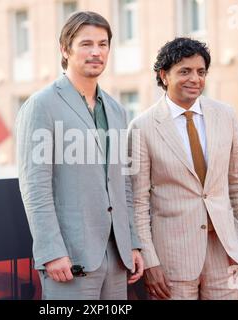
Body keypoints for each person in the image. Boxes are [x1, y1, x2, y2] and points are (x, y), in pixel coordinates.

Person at [16, 11, 143, 300]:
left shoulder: (116, 110)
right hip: (70, 258)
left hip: (117, 256)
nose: (96, 52)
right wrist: (51, 251)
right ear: (65, 49)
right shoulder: (41, 106)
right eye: (86, 44)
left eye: (103, 43)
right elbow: (35, 186)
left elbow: (122, 184)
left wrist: (132, 243)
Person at [128, 37, 238, 300]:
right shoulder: (141, 127)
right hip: (172, 260)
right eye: (185, 71)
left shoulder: (226, 115)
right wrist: (150, 261)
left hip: (226, 252)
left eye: (201, 72)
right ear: (164, 75)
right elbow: (138, 202)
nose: (195, 79)